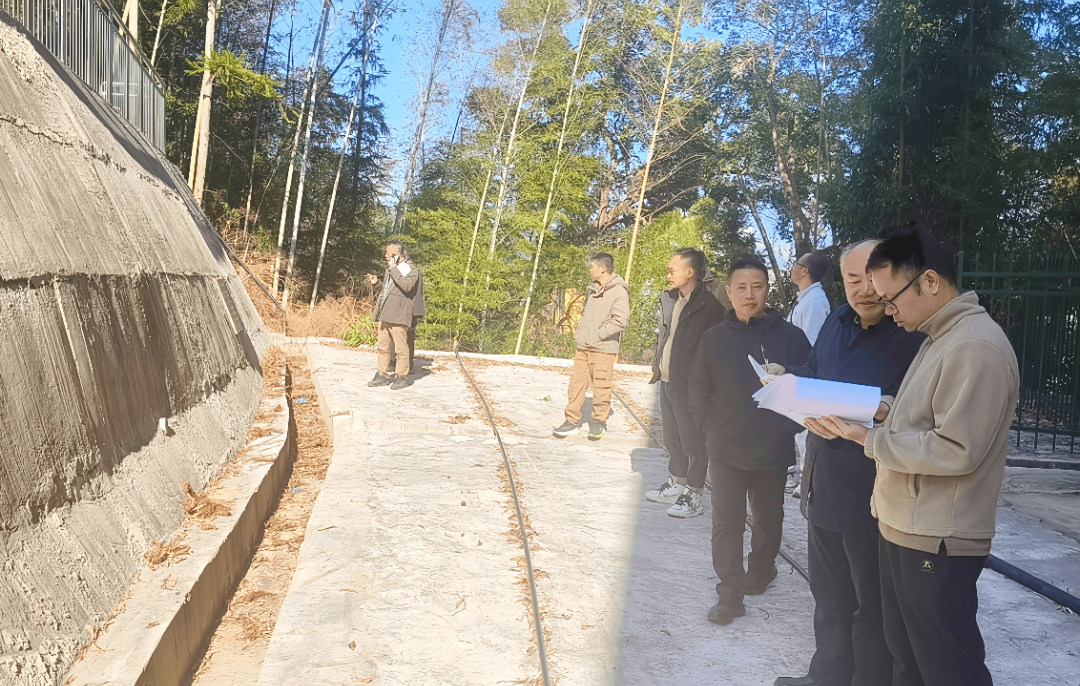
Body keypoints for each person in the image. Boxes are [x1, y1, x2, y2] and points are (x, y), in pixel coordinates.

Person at [811, 225, 1019, 686]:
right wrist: (879, 408)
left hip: (937, 537)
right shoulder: (939, 336)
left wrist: (868, 439)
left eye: (892, 298)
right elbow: (921, 412)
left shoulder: (974, 345)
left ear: (928, 281)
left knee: (944, 666)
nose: (888, 309)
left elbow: (956, 448)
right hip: (906, 525)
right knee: (907, 659)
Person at [768, 240, 925, 686]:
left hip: (875, 493)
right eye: (853, 279)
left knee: (870, 606)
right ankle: (827, 676)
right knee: (829, 595)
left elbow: (917, 413)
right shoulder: (837, 320)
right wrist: (790, 380)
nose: (864, 290)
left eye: (872, 279)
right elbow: (817, 374)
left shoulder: (911, 335)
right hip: (825, 481)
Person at [688, 255, 811, 625]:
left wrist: (787, 428)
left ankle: (761, 569)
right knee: (726, 521)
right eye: (741, 287)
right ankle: (730, 592)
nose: (749, 294)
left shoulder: (791, 337)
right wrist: (709, 429)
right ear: (729, 292)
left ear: (767, 290)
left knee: (768, 518)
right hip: (725, 448)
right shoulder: (713, 338)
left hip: (772, 448)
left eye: (757, 286)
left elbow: (811, 381)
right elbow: (697, 388)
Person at [645, 248, 726, 518]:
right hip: (668, 379)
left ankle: (694, 494)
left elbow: (712, 353)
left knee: (694, 443)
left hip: (690, 385)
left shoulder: (710, 308)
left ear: (689, 272)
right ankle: (676, 483)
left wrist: (702, 386)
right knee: (672, 438)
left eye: (672, 270)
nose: (667, 275)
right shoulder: (671, 299)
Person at [552, 253, 630, 441]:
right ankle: (571, 421)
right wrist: (582, 334)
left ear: (603, 268)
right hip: (584, 347)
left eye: (592, 266)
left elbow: (621, 321)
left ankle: (599, 423)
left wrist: (598, 335)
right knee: (576, 385)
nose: (590, 269)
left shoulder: (619, 291)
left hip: (603, 349)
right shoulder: (592, 289)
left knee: (602, 386)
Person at [788, 251, 832, 499]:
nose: (793, 268)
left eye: (797, 264)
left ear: (804, 270)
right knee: (799, 428)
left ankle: (808, 479)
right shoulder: (805, 298)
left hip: (806, 374)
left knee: (806, 428)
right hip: (797, 371)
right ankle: (801, 473)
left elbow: (811, 345)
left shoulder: (814, 302)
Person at [367, 241, 421, 390]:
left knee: (400, 348)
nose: (385, 256)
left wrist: (393, 269)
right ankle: (381, 375)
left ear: (396, 254)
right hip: (385, 313)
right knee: (382, 346)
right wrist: (377, 283)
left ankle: (401, 377)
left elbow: (407, 286)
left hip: (399, 314)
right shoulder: (391, 269)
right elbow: (388, 291)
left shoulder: (411, 269)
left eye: (388, 253)